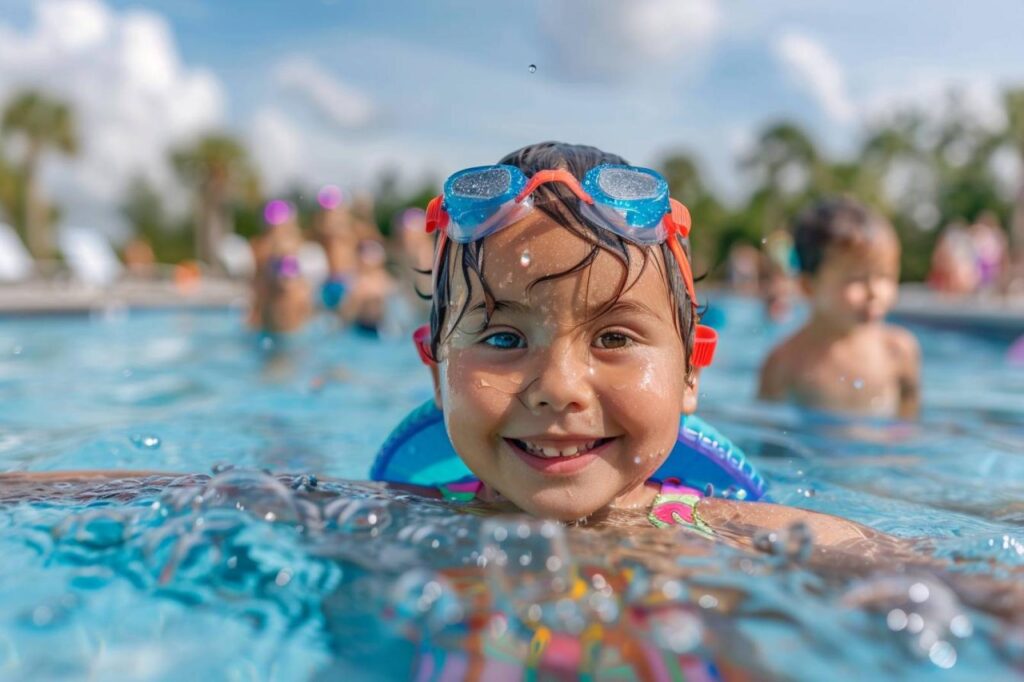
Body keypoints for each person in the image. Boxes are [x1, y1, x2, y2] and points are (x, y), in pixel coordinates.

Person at [758, 197, 920, 419]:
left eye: (885, 276)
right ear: (808, 286)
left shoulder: (898, 351)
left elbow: (909, 422)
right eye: (856, 279)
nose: (875, 292)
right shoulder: (784, 363)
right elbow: (769, 436)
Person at [338, 239, 397, 336]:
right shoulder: (352, 282)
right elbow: (344, 317)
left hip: (383, 328)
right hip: (359, 328)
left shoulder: (388, 281)